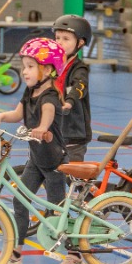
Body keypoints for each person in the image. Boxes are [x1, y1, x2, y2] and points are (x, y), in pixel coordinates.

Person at [0, 38, 67, 264]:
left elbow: (48, 114)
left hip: (55, 163)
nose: (25, 71)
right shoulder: (29, 91)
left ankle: (73, 254)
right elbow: (17, 114)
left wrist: (42, 128)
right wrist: (0, 116)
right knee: (20, 202)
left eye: (31, 66)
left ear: (48, 69)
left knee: (56, 211)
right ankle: (15, 255)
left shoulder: (50, 96)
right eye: (24, 66)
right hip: (36, 161)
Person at [52, 14, 93, 164]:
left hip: (73, 133)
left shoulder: (79, 68)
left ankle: (84, 187)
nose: (60, 42)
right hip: (54, 129)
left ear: (80, 42)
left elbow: (79, 86)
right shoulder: (54, 66)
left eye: (66, 39)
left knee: (72, 175)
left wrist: (69, 102)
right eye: (57, 38)